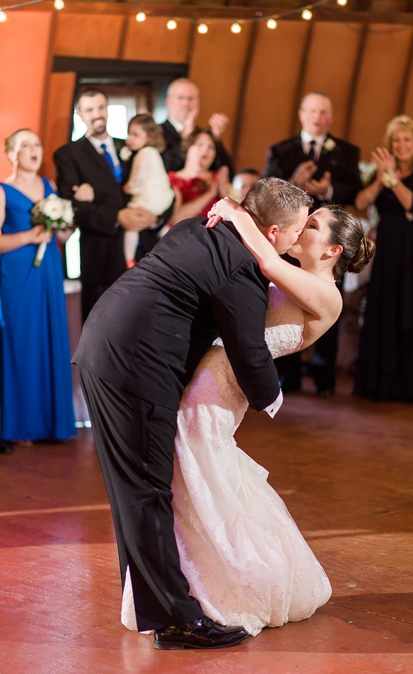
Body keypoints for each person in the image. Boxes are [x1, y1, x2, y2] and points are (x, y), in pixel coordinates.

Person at [118, 195, 374, 638]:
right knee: (190, 475)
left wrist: (239, 213)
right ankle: (180, 588)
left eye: (311, 226)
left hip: (221, 389)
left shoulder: (325, 295)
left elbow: (270, 267)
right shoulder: (290, 270)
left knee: (193, 468)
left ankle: (213, 589)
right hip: (209, 373)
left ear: (332, 251)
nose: (301, 230)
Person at [72, 178, 309, 649]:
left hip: (104, 347)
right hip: (134, 367)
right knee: (146, 492)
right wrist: (271, 398)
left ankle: (151, 605)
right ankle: (177, 621)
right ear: (275, 230)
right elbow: (248, 349)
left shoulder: (197, 226)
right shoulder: (242, 266)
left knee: (133, 492)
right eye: (298, 231)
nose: (300, 240)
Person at [263, 91, 363, 396]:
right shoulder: (281, 150)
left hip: (329, 243)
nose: (319, 118)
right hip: (291, 239)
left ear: (330, 118)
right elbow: (266, 189)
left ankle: (324, 377)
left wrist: (328, 188)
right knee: (286, 302)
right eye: (313, 111)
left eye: (324, 113)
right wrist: (294, 181)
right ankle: (287, 376)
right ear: (302, 114)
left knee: (324, 302)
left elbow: (355, 190)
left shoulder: (347, 151)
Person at [353, 115, 413, 402]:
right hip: (390, 248)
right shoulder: (383, 170)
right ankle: (383, 383)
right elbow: (360, 202)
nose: (401, 144)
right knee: (386, 304)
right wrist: (381, 180)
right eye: (396, 139)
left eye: (406, 139)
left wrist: (392, 178)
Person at [53, 88, 159, 321]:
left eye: (101, 107)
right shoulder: (68, 154)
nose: (97, 114)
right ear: (80, 114)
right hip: (99, 256)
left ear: (108, 110)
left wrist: (156, 217)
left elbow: (158, 182)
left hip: (145, 253)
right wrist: (117, 217)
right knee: (102, 327)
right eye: (90, 109)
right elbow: (72, 207)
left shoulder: (130, 146)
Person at [0, 129, 76, 445]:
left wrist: (65, 222)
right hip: (16, 277)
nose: (34, 149)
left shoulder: (50, 187)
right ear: (11, 154)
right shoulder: (3, 190)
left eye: (37, 144)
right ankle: (20, 426)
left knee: (48, 339)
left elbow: (62, 237)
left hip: (48, 271)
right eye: (25, 144)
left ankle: (50, 422)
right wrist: (29, 237)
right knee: (21, 343)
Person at [120, 114, 174, 266]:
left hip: (150, 198)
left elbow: (140, 177)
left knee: (132, 224)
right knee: (161, 228)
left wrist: (129, 188)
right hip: (162, 197)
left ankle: (129, 259)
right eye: (129, 134)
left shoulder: (144, 153)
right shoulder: (154, 152)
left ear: (149, 136)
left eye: (135, 135)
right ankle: (174, 247)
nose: (130, 139)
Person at [160, 78, 234, 176]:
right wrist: (186, 140)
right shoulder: (156, 132)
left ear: (198, 102)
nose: (186, 103)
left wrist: (216, 139)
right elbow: (164, 169)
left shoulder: (203, 135)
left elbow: (227, 173)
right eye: (180, 98)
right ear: (169, 102)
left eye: (190, 98)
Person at [168, 128, 229, 225]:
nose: (206, 149)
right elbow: (176, 219)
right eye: (200, 144)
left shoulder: (220, 179)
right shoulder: (173, 180)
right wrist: (210, 193)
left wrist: (224, 196)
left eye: (211, 147)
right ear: (188, 148)